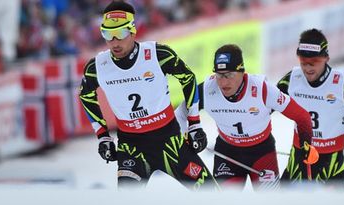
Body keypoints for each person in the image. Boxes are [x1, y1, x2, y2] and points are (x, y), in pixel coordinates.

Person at [78, 1, 218, 190]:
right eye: (107, 34)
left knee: (212, 195)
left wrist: (194, 124)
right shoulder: (97, 67)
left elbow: (188, 78)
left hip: (170, 142)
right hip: (131, 148)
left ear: (133, 30)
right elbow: (86, 96)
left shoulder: (157, 54)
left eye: (120, 34)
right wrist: (103, 136)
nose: (114, 42)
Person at [176, 44, 317, 190]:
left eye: (228, 75)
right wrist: (186, 134)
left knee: (269, 203)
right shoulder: (206, 89)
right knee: (226, 204)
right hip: (227, 153)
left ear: (242, 72)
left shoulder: (263, 89)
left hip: (262, 153)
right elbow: (179, 115)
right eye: (219, 75)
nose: (223, 82)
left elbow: (302, 116)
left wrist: (306, 144)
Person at [277, 28, 344, 189]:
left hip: (330, 165)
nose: (308, 68)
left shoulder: (343, 83)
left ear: (326, 58)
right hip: (298, 162)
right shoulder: (292, 79)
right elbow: (264, 108)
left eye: (314, 62)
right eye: (303, 62)